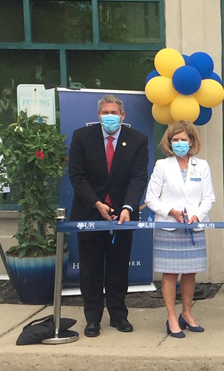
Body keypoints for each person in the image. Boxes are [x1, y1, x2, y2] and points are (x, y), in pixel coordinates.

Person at [68, 94, 149, 337]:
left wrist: (128, 207)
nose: (110, 117)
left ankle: (118, 315)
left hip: (122, 216)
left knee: (118, 268)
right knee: (91, 269)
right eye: (106, 113)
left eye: (114, 113)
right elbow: (76, 176)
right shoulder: (82, 137)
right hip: (90, 213)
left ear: (123, 116)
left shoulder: (137, 140)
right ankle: (92, 319)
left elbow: (138, 178)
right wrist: (96, 203)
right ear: (98, 115)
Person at [144, 121, 216, 338]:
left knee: (190, 273)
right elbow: (150, 199)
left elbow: (209, 197)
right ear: (169, 142)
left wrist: (198, 215)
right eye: (175, 140)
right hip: (169, 227)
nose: (179, 143)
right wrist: (171, 211)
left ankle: (187, 313)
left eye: (184, 139)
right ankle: (172, 317)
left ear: (191, 141)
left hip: (193, 226)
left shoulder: (201, 166)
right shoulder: (162, 166)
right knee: (170, 273)